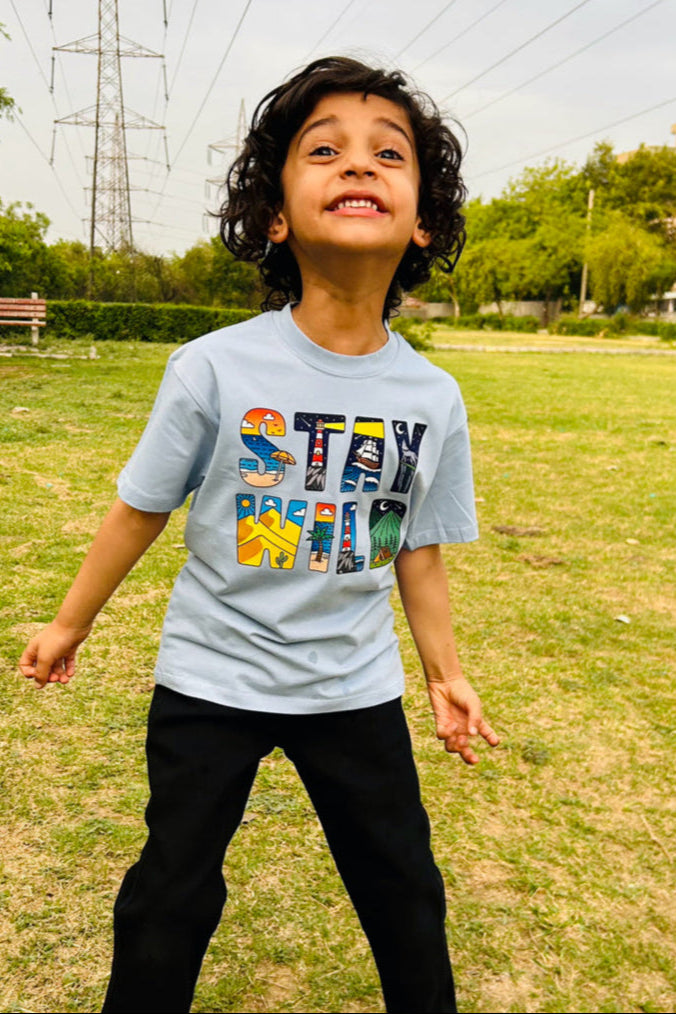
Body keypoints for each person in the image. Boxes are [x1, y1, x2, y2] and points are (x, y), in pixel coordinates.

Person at [19, 56, 499, 1014]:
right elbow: (140, 510)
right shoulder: (212, 369)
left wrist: (445, 676)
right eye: (324, 151)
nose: (357, 167)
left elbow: (418, 547)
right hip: (213, 680)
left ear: (423, 222)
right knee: (172, 893)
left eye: (387, 155)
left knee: (406, 893)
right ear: (276, 216)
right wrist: (70, 623)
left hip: (352, 688)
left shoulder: (431, 397)